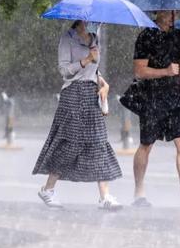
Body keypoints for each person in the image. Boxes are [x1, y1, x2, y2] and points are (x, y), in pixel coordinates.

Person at [32, 20, 122, 210]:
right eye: (89, 20)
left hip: (91, 95)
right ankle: (48, 189)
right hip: (73, 95)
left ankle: (104, 196)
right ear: (80, 19)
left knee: (99, 142)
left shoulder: (95, 39)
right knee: (69, 143)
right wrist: (86, 59)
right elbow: (65, 71)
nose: (92, 23)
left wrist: (104, 84)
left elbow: (94, 73)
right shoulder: (67, 38)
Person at [130, 10, 180, 208]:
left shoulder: (178, 35)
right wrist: (165, 71)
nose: (174, 14)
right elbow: (139, 71)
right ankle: (139, 193)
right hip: (152, 97)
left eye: (176, 10)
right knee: (146, 144)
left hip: (175, 97)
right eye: (170, 10)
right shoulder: (146, 35)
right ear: (158, 11)